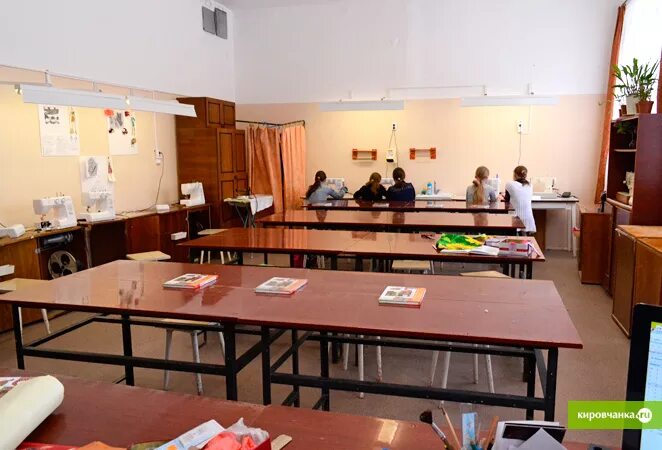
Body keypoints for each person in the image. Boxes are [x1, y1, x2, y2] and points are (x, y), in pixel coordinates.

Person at [505, 165, 536, 233]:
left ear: (515, 175)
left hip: (515, 218)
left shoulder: (509, 184)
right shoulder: (530, 185)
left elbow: (506, 200)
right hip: (528, 219)